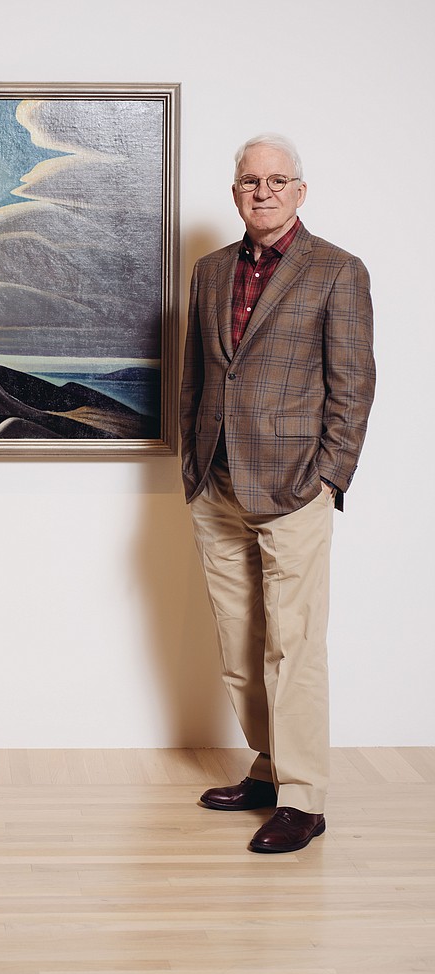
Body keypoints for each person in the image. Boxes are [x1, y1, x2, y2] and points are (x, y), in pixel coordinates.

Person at [180, 133, 375, 853]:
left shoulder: (337, 272)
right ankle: (268, 769)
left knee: (293, 646)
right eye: (249, 181)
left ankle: (303, 798)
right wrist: (193, 471)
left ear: (299, 191)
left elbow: (353, 388)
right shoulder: (207, 272)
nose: (262, 191)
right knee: (240, 645)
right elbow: (197, 378)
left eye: (276, 180)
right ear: (235, 192)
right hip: (218, 486)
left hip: (295, 489)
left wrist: (329, 478)